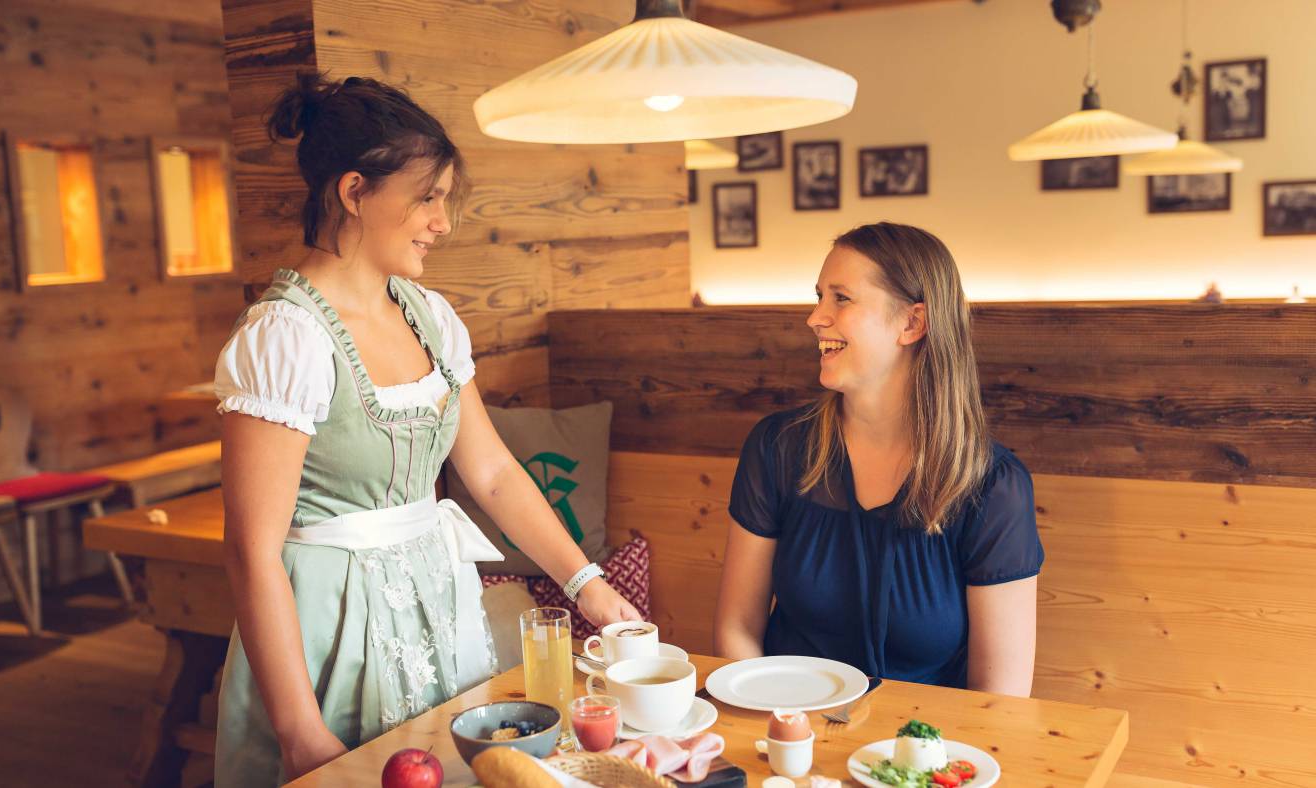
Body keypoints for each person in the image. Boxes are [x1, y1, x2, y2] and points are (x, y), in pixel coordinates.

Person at [212, 73, 639, 786]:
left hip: (435, 602)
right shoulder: (284, 337)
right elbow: (251, 552)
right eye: (427, 198)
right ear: (354, 192)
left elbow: (495, 474)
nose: (443, 222)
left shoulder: (430, 317)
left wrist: (586, 580)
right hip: (330, 630)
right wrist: (299, 731)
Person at [713, 222, 1043, 696]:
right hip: (784, 736)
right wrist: (782, 731)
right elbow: (737, 631)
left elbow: (1000, 699)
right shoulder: (777, 448)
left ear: (912, 323)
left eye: (840, 298)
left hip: (921, 754)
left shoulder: (993, 486)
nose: (815, 317)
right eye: (819, 296)